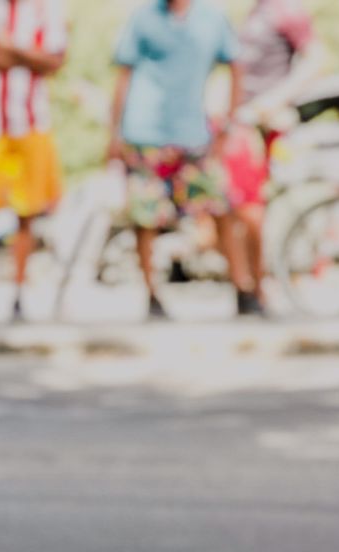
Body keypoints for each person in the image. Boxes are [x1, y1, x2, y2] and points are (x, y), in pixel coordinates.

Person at [109, 0, 262, 319]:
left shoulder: (212, 18)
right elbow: (124, 75)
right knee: (145, 217)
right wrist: (114, 133)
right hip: (145, 133)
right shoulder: (143, 17)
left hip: (193, 133)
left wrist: (229, 125)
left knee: (221, 207)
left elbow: (236, 67)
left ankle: (243, 288)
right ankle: (151, 295)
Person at [0, 0, 68, 324]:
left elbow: (55, 61)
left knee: (27, 212)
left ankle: (18, 294)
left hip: (31, 123)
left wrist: (10, 48)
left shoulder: (46, 8)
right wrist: (29, 57)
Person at [225, 0, 322, 305]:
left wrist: (273, 102)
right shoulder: (256, 11)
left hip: (260, 124)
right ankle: (246, 285)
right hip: (239, 118)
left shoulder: (287, 10)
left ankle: (257, 289)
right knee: (229, 205)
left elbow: (316, 60)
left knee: (249, 207)